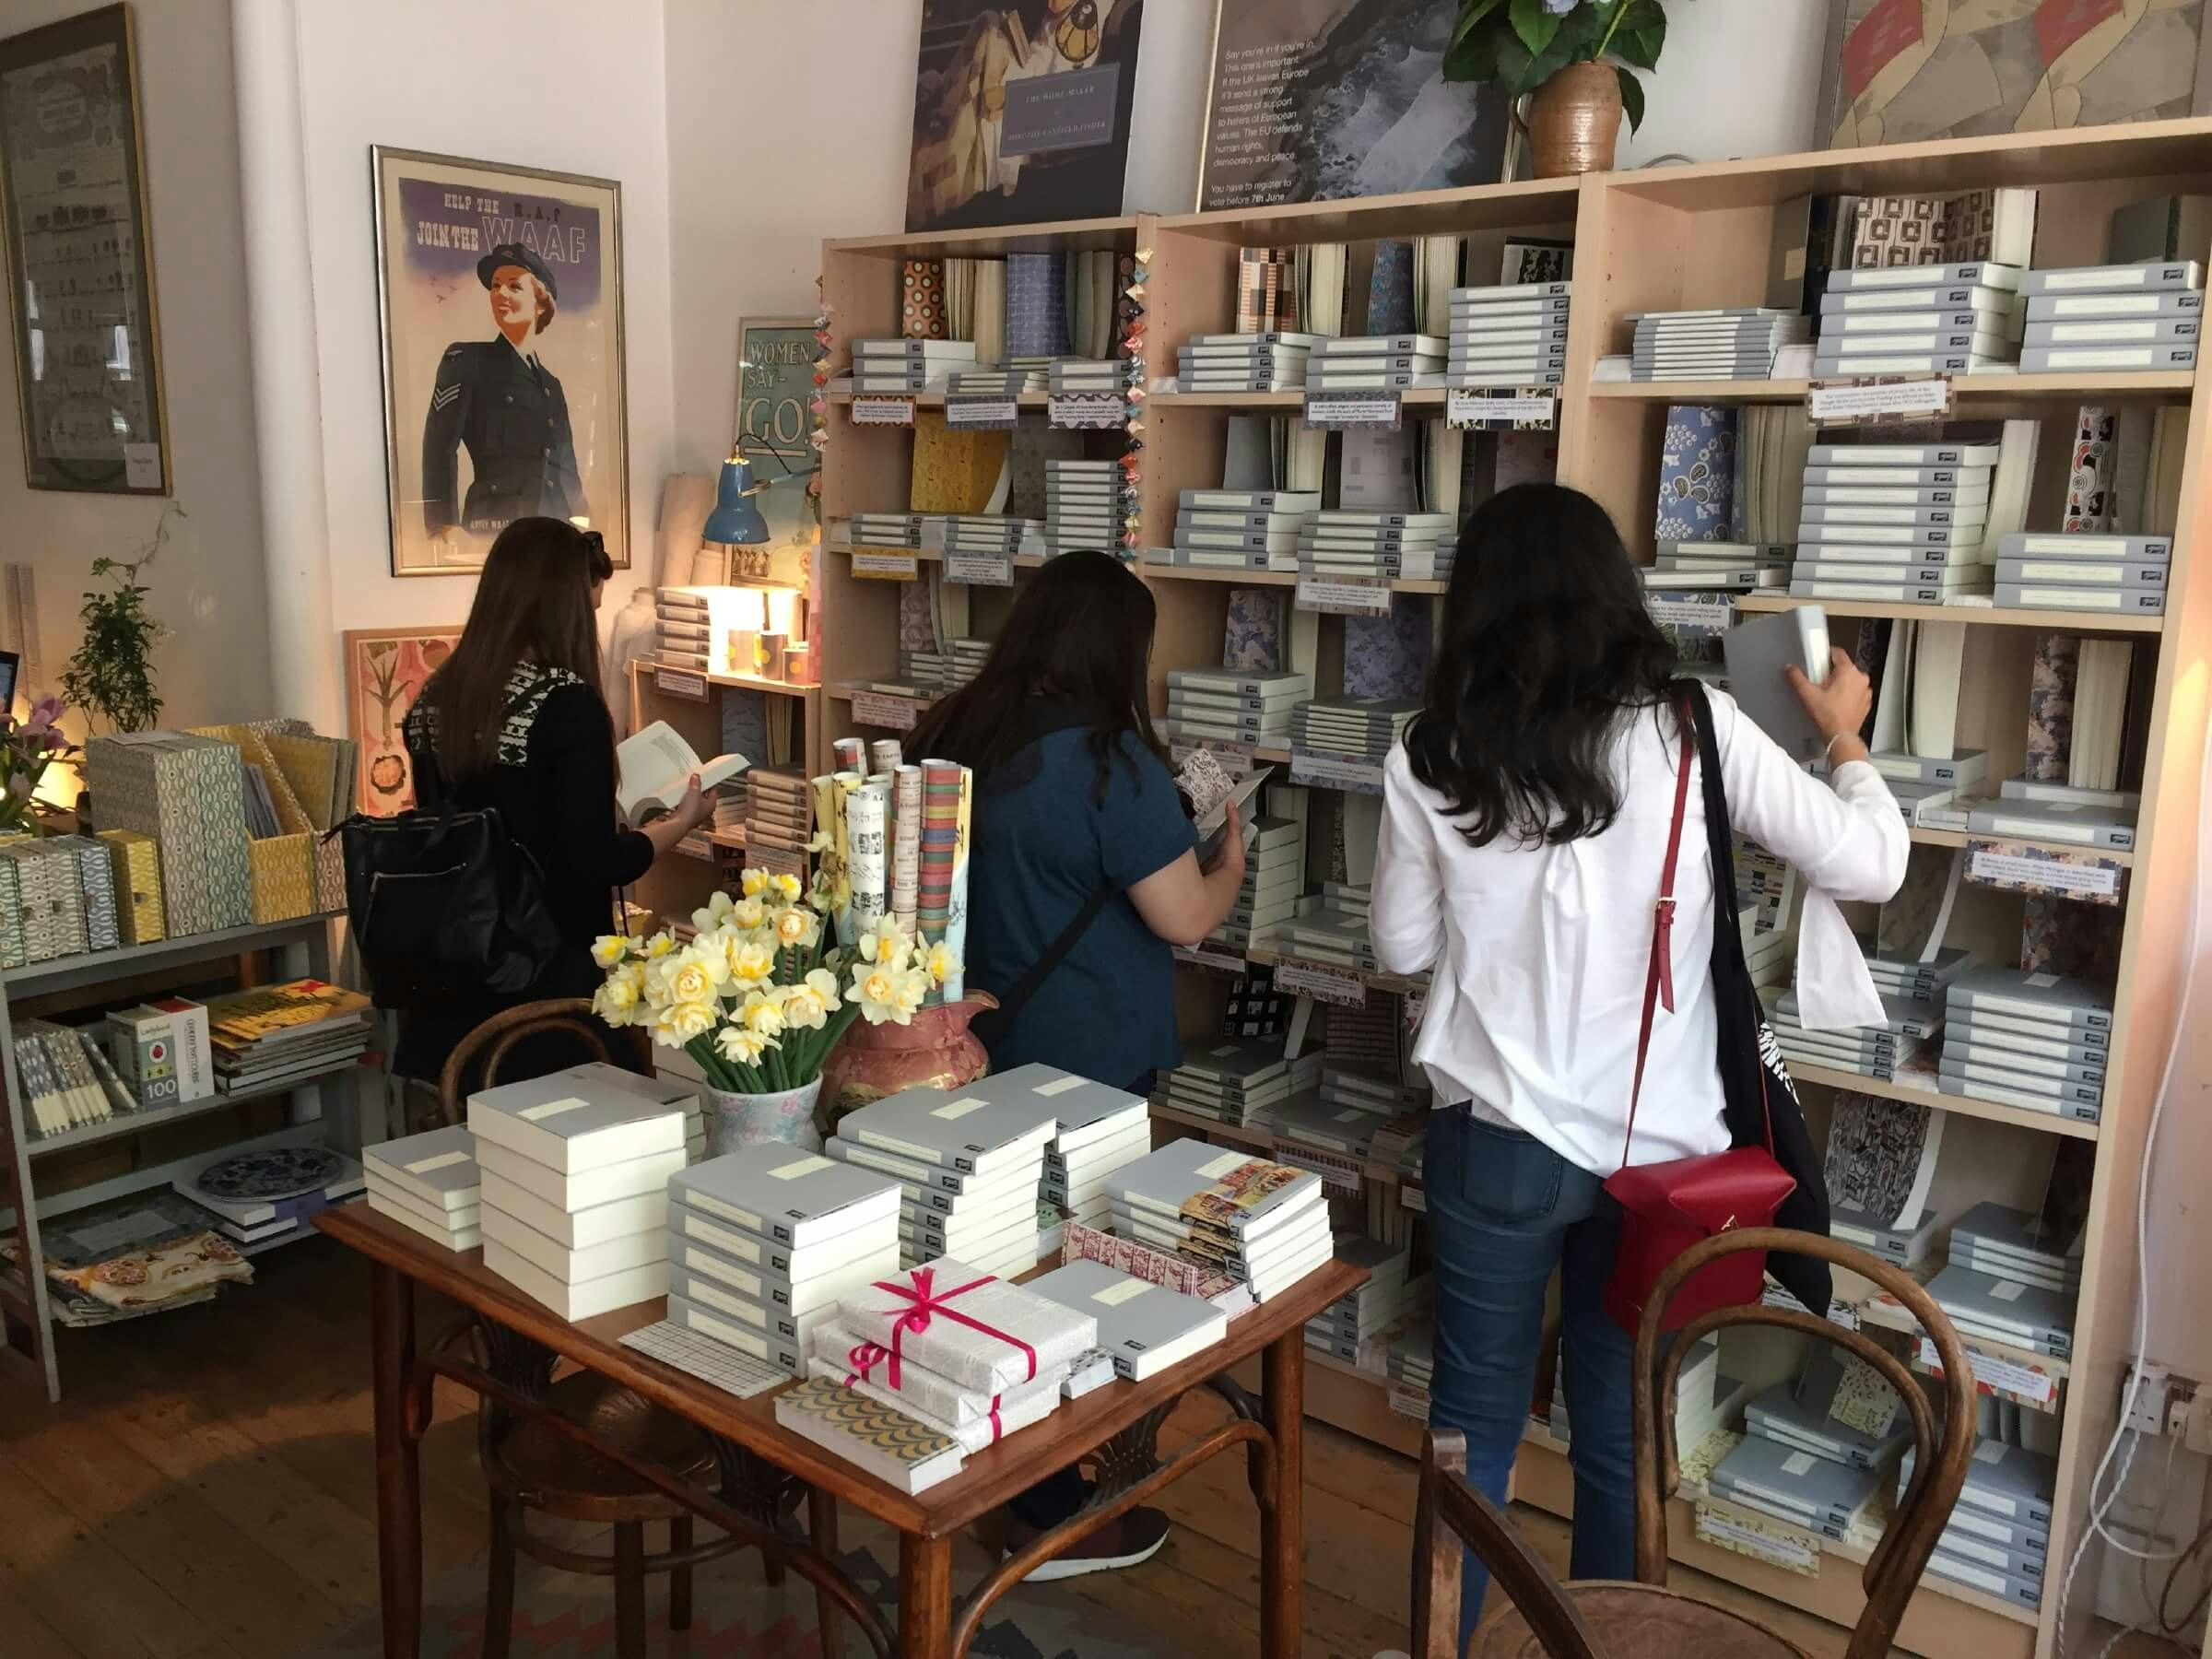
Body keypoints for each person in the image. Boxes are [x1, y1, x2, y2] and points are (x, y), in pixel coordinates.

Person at [1369, 484, 1909, 1639]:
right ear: (1616, 594)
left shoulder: (1430, 751)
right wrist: (1847, 737)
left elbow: (1402, 947)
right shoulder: (1694, 725)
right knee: (1621, 1438)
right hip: (1661, 1167)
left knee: (1472, 1431)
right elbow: (1872, 863)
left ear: (1472, 610)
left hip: (1496, 1141)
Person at [903, 548, 1247, 1577]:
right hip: (1084, 1064)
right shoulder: (1112, 765)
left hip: (960, 1048)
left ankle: (971, 1464)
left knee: (979, 1265)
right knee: (1073, 1281)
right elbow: (1184, 916)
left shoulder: (953, 733)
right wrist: (1230, 855)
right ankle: (1051, 1509)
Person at [394, 517, 711, 1084]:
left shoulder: (436, 696)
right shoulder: (567, 705)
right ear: (563, 608)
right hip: (541, 997)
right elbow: (592, 866)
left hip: (450, 979)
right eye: (589, 609)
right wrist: (678, 824)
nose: (590, 626)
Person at [420, 241, 589, 554]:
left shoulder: (552, 385)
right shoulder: (468, 361)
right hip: (494, 526)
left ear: (540, 302)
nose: (501, 294)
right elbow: (438, 447)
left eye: (514, 286)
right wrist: (444, 524)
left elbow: (566, 465)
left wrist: (580, 524)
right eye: (496, 286)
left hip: (554, 529)